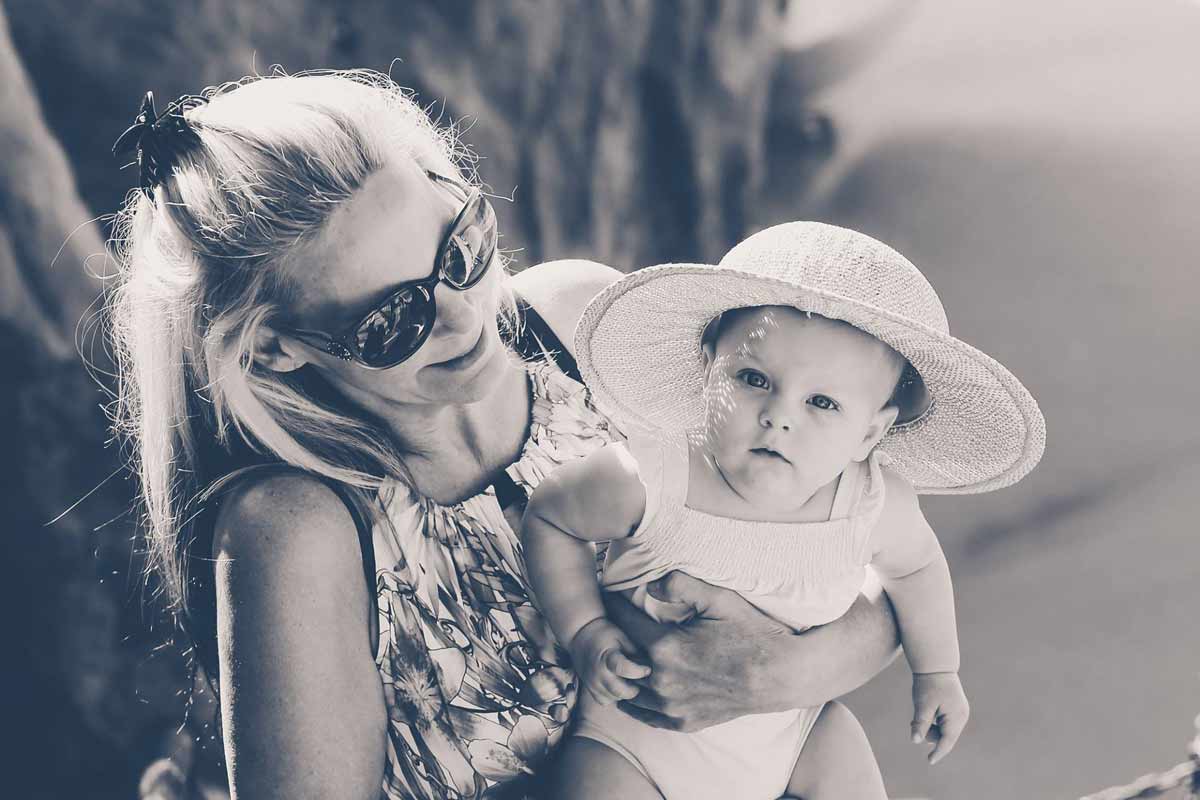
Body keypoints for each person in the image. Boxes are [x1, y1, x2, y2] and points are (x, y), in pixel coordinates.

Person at [107, 71, 902, 799]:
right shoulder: (295, 532)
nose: (463, 317)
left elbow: (875, 559)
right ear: (273, 349)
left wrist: (779, 672)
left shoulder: (582, 322)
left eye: (461, 248)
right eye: (393, 320)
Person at [522, 221, 1047, 799]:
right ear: (707, 374)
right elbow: (551, 518)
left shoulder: (870, 503)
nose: (779, 415)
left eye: (822, 402)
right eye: (753, 379)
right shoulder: (651, 477)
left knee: (842, 750)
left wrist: (937, 672)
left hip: (793, 735)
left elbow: (916, 569)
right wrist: (587, 629)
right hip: (629, 745)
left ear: (871, 431)